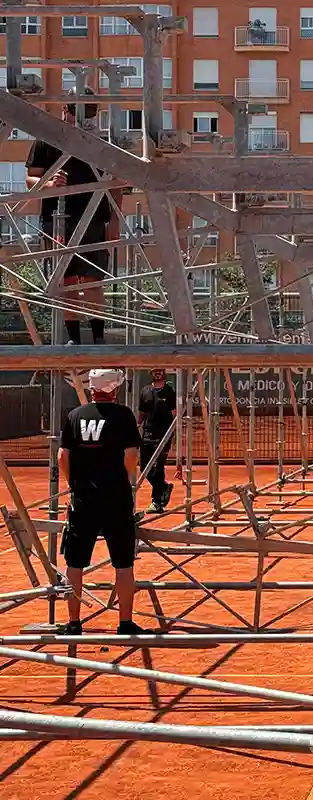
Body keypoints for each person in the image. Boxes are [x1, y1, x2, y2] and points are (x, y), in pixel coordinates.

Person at [25, 87, 121, 345]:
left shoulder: (101, 143)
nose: (83, 120)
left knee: (92, 280)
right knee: (65, 281)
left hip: (94, 218)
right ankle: (75, 341)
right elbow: (30, 179)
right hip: (58, 217)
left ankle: (98, 339)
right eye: (79, 113)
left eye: (89, 113)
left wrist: (115, 220)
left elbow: (117, 183)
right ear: (64, 110)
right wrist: (48, 183)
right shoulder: (46, 140)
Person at [58, 368, 148, 636]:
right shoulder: (122, 416)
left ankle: (74, 622)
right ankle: (125, 622)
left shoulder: (75, 415)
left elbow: (63, 455)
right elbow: (130, 454)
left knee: (75, 562)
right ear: (114, 389)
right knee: (123, 562)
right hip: (116, 497)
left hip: (84, 497)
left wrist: (71, 484)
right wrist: (127, 479)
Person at [137, 368, 177, 514]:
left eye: (160, 371)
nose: (158, 373)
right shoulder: (145, 391)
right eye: (155, 371)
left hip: (164, 435)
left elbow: (174, 414)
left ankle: (157, 502)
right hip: (147, 434)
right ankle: (164, 488)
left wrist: (172, 433)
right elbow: (141, 413)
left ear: (164, 373)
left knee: (159, 467)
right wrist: (137, 426)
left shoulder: (169, 392)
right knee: (143, 468)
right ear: (151, 374)